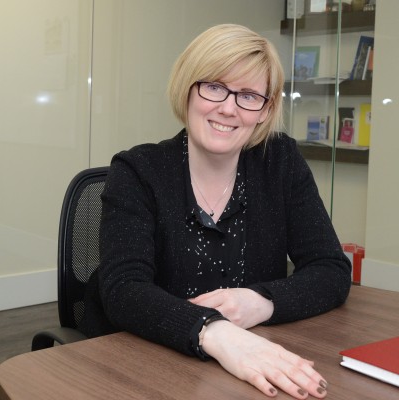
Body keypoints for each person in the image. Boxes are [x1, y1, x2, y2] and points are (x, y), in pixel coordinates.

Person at [79, 24, 351, 399]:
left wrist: (261, 303)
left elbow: (331, 270)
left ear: (265, 110)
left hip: (245, 370)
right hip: (139, 367)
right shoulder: (138, 170)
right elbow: (123, 290)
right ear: (188, 89)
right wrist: (214, 330)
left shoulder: (280, 161)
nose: (228, 108)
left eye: (249, 95)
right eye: (215, 87)